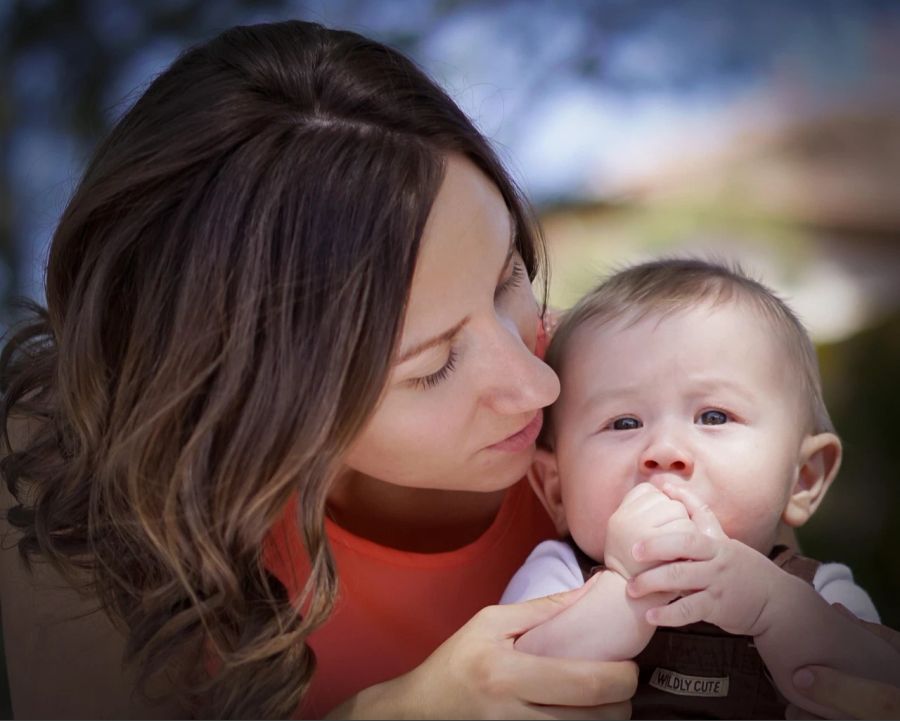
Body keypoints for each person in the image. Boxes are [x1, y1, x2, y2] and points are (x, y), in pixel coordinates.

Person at [0, 20, 640, 719]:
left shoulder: (623, 401)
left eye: (507, 277)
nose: (539, 385)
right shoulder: (71, 492)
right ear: (251, 398)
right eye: (432, 367)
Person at [501, 258, 900, 719]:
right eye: (624, 422)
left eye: (713, 417)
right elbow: (514, 681)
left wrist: (773, 609)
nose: (665, 450)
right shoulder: (560, 577)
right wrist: (625, 590)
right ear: (555, 490)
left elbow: (881, 686)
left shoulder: (819, 591)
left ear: (803, 478)